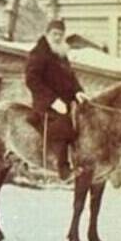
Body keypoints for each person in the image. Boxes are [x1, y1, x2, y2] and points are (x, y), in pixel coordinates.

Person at [25, 19, 90, 180]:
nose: (57, 38)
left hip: (65, 101)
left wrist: (78, 92)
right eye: (54, 34)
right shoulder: (38, 54)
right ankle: (63, 169)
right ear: (47, 34)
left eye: (60, 35)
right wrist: (52, 101)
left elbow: (70, 76)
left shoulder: (60, 53)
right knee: (62, 126)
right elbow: (32, 80)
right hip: (46, 103)